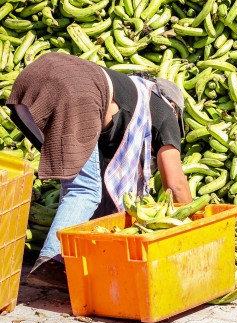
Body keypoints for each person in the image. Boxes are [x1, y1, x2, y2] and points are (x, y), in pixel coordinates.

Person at [6, 52, 192, 291]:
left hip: (28, 87)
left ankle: (75, 258)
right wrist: (192, 224)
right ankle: (52, 260)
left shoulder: (127, 94)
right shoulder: (165, 111)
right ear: (175, 107)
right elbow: (175, 185)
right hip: (71, 89)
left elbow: (105, 171)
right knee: (84, 189)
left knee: (80, 180)